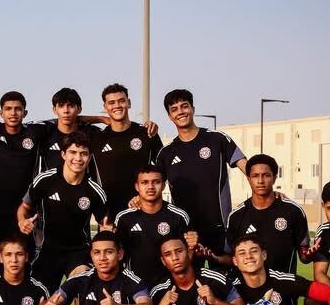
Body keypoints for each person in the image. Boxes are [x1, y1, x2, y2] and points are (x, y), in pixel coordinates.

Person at [156, 89, 246, 265]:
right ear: (169, 116)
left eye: (184, 106)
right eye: (174, 109)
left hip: (220, 229)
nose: (180, 111)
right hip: (186, 232)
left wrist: (271, 192)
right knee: (190, 288)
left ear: (193, 109)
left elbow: (248, 167)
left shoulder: (217, 139)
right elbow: (154, 186)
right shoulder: (166, 153)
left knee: (223, 287)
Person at [18, 130, 108, 295]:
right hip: (47, 250)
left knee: (83, 288)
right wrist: (22, 221)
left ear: (89, 157)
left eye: (83, 154)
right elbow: (24, 207)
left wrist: (106, 233)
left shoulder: (94, 191)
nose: (78, 158)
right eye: (73, 152)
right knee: (40, 302)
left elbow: (105, 224)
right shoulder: (45, 180)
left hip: (78, 251)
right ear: (63, 154)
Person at [0, 92, 50, 275]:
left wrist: (100, 119)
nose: (13, 113)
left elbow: (67, 118)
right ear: (0, 113)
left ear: (25, 112)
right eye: (8, 109)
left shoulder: (35, 131)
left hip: (27, 212)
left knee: (25, 267)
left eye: (18, 109)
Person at [224, 154, 312, 273]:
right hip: (248, 288)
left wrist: (312, 253)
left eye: (266, 175)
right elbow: (230, 257)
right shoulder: (236, 216)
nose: (260, 181)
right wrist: (211, 256)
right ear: (249, 179)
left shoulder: (293, 211)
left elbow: (304, 257)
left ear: (274, 178)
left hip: (283, 287)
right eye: (255, 176)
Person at [88, 83, 163, 219]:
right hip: (109, 214)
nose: (117, 106)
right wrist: (99, 118)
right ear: (105, 107)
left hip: (142, 209)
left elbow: (164, 169)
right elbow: (69, 119)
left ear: (128, 103)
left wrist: (144, 196)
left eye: (121, 101)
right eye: (111, 103)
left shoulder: (146, 133)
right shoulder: (96, 138)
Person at [112, 164, 195, 285]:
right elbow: (118, 255)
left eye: (156, 182)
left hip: (169, 286)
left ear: (163, 185)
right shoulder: (124, 218)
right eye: (144, 182)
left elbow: (188, 255)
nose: (150, 187)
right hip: (136, 286)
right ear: (137, 186)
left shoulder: (178, 216)